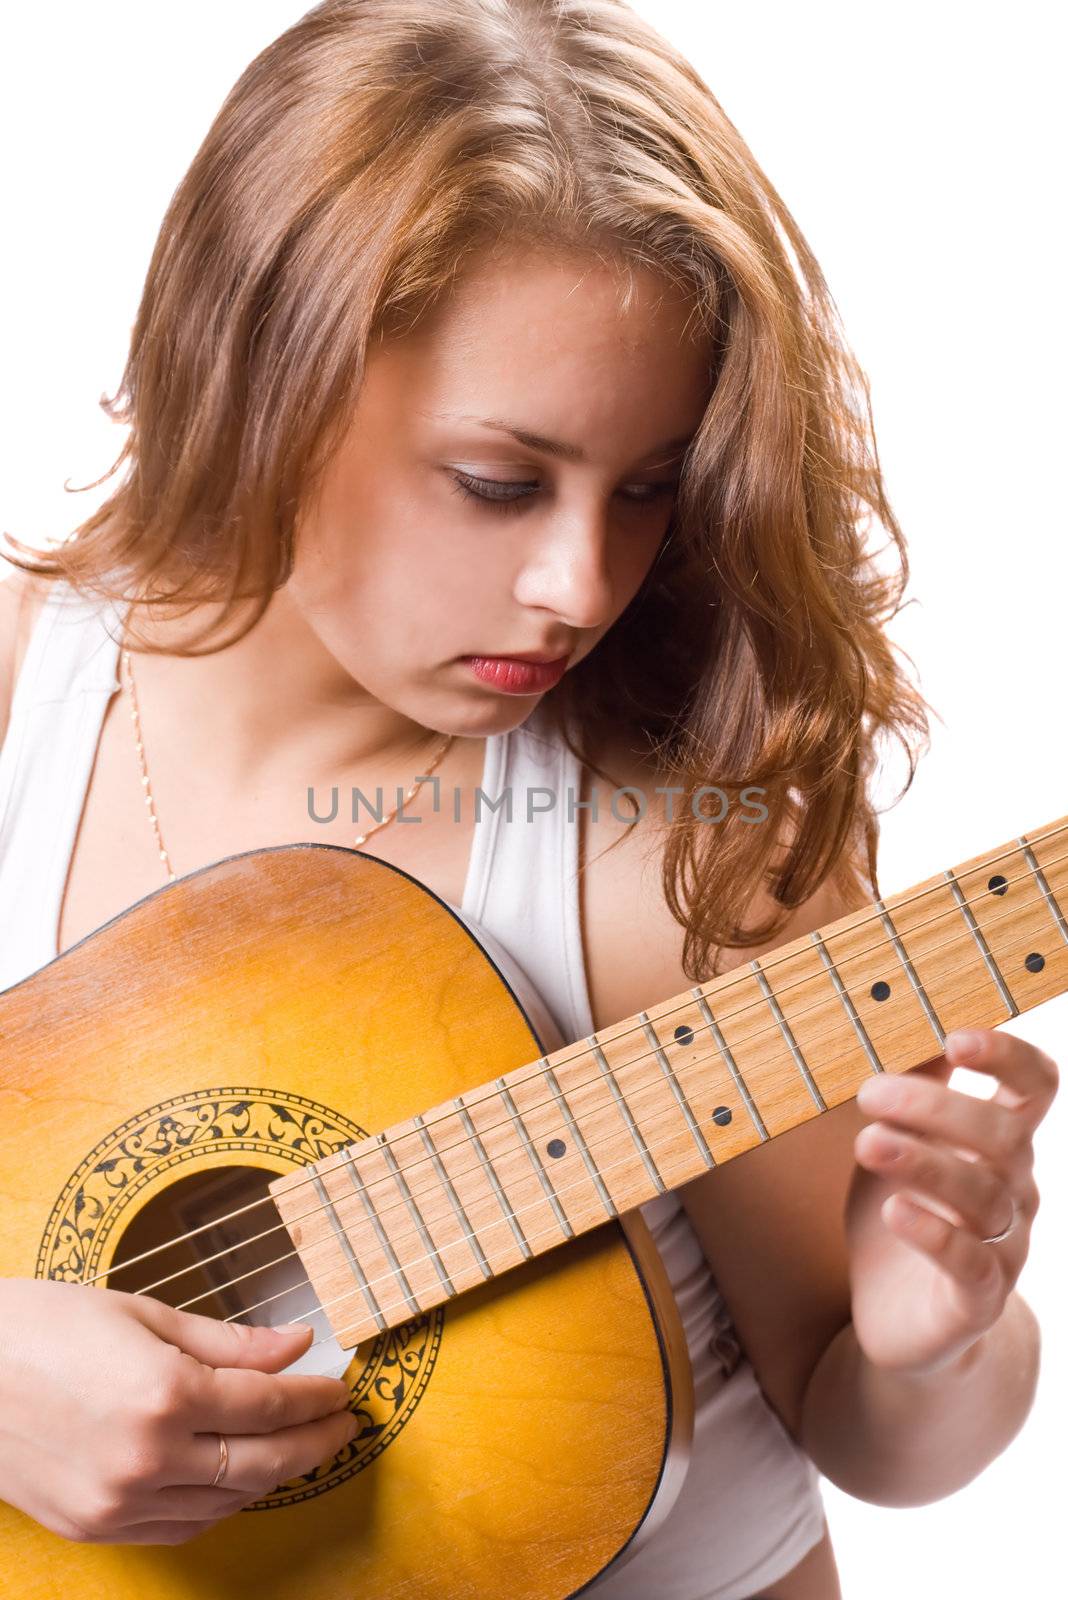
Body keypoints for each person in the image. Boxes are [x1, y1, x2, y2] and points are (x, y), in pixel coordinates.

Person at [0, 1, 1058, 1595]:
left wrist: (934, 1349)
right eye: (499, 482)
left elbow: (877, 1442)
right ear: (259, 378)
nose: (580, 585)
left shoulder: (674, 860)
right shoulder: (22, 689)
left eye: (648, 489)